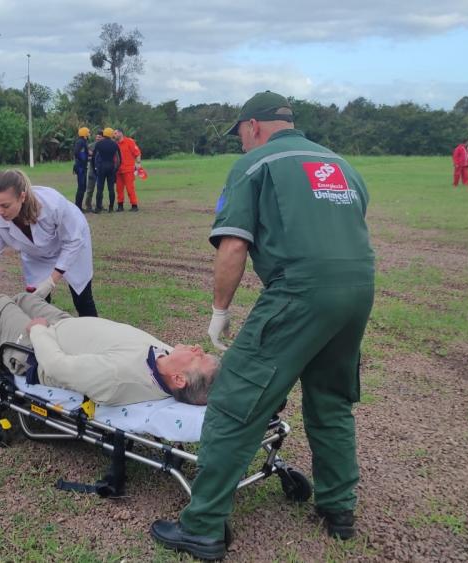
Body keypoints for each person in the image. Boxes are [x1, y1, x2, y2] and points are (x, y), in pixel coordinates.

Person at [150, 91, 375, 561]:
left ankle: (203, 526)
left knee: (235, 399)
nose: (241, 144)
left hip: (300, 290)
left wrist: (220, 311)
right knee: (330, 400)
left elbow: (233, 246)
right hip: (357, 288)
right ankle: (338, 510)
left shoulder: (255, 165)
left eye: (240, 136)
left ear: (253, 126)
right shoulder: (341, 165)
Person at [0, 293, 219, 406]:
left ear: (178, 379)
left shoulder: (118, 377)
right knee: (24, 298)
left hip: (33, 350)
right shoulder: (166, 360)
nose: (198, 348)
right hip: (64, 325)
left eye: (198, 357)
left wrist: (38, 331)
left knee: (0, 302)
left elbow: (56, 366)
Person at [0, 169, 98, 317]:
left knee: (82, 298)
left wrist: (52, 280)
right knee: (37, 304)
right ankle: (46, 337)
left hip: (72, 243)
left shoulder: (53, 203)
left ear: (22, 196)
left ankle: (94, 336)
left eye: (5, 206)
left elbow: (73, 241)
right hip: (35, 256)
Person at [113, 128, 143, 212]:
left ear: (120, 133)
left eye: (115, 133)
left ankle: (134, 205)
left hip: (128, 169)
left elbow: (137, 153)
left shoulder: (130, 142)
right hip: (118, 170)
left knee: (130, 188)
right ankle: (120, 205)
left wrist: (138, 163)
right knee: (119, 189)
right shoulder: (115, 144)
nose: (113, 135)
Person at [93, 128, 121, 213]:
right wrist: (116, 169)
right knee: (111, 188)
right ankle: (111, 208)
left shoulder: (99, 144)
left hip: (101, 167)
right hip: (111, 167)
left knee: (100, 188)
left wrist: (95, 168)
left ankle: (98, 208)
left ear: (104, 134)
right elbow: (120, 159)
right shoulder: (115, 144)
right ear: (111, 134)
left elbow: (93, 158)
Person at [73, 127, 91, 210]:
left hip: (82, 167)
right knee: (81, 187)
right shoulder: (81, 142)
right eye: (88, 133)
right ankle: (78, 206)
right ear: (85, 134)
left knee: (83, 187)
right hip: (81, 167)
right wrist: (82, 160)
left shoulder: (82, 141)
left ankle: (79, 206)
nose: (89, 134)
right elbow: (77, 152)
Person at [85, 131, 103, 211]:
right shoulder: (90, 146)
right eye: (97, 137)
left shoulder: (104, 146)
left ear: (103, 138)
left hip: (101, 170)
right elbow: (85, 157)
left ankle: (99, 205)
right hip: (92, 170)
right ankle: (88, 205)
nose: (98, 138)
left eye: (99, 137)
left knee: (100, 189)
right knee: (90, 189)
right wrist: (92, 157)